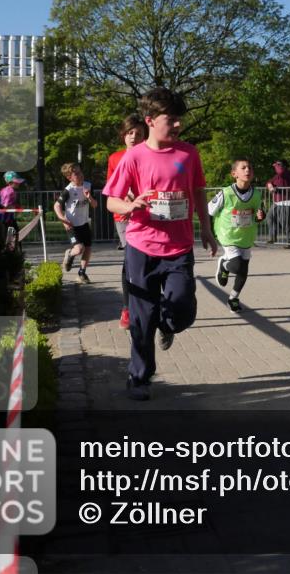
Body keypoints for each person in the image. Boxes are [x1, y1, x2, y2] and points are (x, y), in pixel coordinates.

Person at [103, 87, 218, 401]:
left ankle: (168, 325)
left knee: (181, 309)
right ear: (150, 120)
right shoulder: (134, 156)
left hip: (179, 248)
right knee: (141, 318)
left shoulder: (189, 154)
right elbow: (112, 200)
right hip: (141, 247)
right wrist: (130, 206)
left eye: (180, 119)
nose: (178, 124)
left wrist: (206, 229)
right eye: (172, 119)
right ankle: (139, 377)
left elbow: (198, 191)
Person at [208, 157, 266, 313]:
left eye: (250, 168)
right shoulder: (226, 193)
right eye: (243, 168)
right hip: (227, 234)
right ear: (234, 174)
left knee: (243, 270)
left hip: (246, 236)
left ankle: (233, 298)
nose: (248, 170)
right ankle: (224, 265)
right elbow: (209, 211)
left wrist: (261, 216)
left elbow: (258, 214)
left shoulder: (256, 194)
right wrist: (209, 233)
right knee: (237, 265)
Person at [107, 114, 148, 329]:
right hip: (123, 216)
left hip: (147, 214)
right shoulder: (115, 158)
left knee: (147, 261)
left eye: (138, 134)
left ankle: (148, 304)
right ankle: (127, 308)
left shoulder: (150, 155)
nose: (133, 137)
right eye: (130, 133)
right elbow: (112, 188)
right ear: (123, 135)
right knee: (129, 260)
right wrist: (125, 204)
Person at [54, 163, 97, 284]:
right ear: (69, 178)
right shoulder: (68, 190)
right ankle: (69, 254)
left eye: (80, 172)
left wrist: (89, 197)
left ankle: (82, 273)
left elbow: (95, 205)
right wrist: (62, 219)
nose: (80, 175)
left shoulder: (88, 186)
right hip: (71, 225)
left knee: (88, 248)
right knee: (78, 249)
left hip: (84, 223)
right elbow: (56, 206)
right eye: (76, 174)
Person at [266, 160, 290, 248]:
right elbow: (269, 181)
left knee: (286, 222)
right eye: (276, 164)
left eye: (279, 164)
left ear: (284, 166)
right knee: (270, 217)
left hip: (287, 202)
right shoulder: (277, 176)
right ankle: (273, 237)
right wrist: (269, 184)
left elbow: (281, 171)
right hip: (277, 202)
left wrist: (277, 165)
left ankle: (289, 242)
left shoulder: (287, 173)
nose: (276, 166)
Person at [0, 170, 26, 245]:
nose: (19, 183)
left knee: (14, 235)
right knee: (6, 239)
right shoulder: (9, 191)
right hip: (4, 219)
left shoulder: (8, 190)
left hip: (8, 219)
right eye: (16, 182)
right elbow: (6, 205)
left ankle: (11, 248)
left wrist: (17, 207)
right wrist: (17, 208)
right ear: (10, 182)